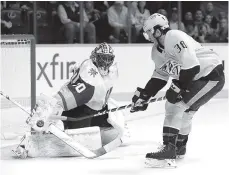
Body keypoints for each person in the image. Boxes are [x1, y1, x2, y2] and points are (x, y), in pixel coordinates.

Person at [130, 13, 225, 168]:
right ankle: (179, 147)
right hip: (200, 77)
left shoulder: (174, 36)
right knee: (185, 112)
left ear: (158, 31)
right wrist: (145, 95)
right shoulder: (156, 51)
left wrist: (178, 87)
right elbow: (160, 76)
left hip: (210, 76)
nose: (147, 35)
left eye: (149, 31)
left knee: (175, 105)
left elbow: (192, 66)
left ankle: (169, 148)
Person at [13, 43, 129, 158]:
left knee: (115, 133)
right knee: (55, 111)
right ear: (95, 57)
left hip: (97, 109)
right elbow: (69, 96)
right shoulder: (90, 79)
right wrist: (50, 109)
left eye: (109, 58)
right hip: (81, 109)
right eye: (103, 58)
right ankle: (36, 133)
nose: (106, 62)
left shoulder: (112, 71)